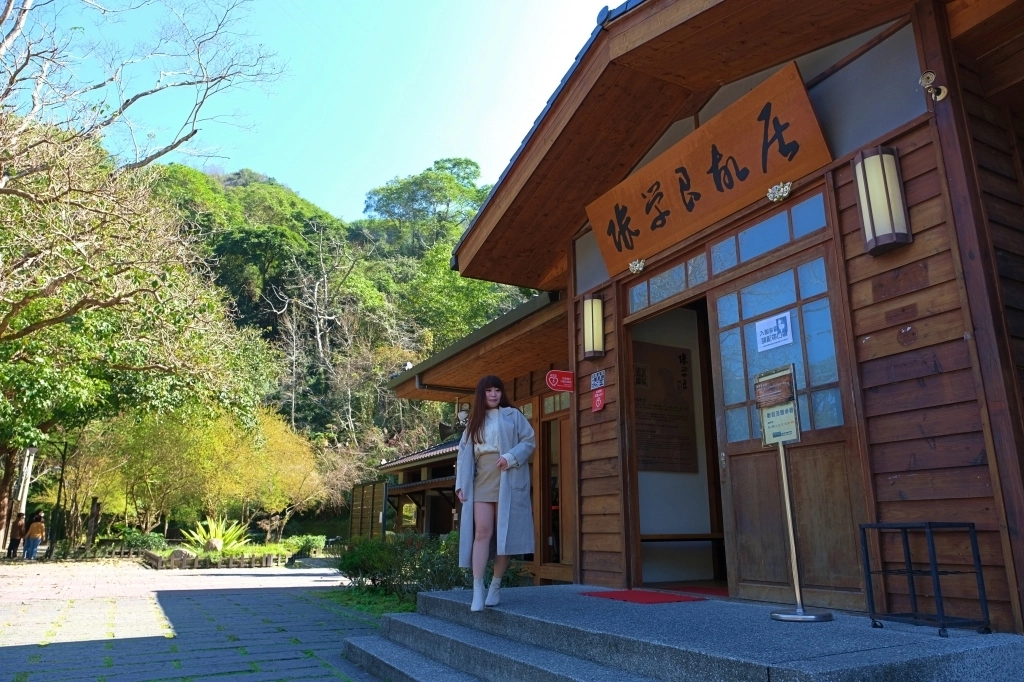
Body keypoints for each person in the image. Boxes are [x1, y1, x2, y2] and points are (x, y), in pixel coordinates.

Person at [455, 375, 536, 612]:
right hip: (481, 479)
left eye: (497, 390)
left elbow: (529, 441)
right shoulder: (473, 421)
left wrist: (510, 457)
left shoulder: (513, 415)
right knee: (482, 531)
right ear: (481, 394)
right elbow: (463, 454)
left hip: (507, 478)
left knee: (504, 533)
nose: (493, 394)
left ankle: (496, 585)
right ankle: (477, 588)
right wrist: (461, 483)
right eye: (488, 390)